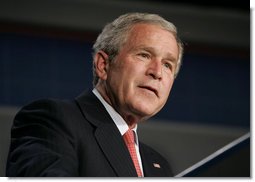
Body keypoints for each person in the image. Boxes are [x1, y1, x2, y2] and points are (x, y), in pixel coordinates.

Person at [6, 12, 183, 177]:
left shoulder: (159, 166)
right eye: (144, 55)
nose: (157, 72)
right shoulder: (53, 121)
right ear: (103, 65)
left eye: (168, 65)